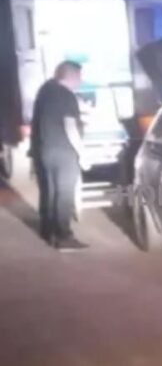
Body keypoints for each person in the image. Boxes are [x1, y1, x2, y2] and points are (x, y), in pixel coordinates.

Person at [30, 61, 89, 251]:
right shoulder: (66, 95)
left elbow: (37, 121)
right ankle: (64, 237)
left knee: (49, 191)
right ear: (71, 76)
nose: (80, 81)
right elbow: (70, 127)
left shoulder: (45, 90)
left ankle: (48, 231)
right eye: (79, 77)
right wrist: (82, 153)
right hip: (65, 151)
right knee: (64, 194)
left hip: (45, 150)